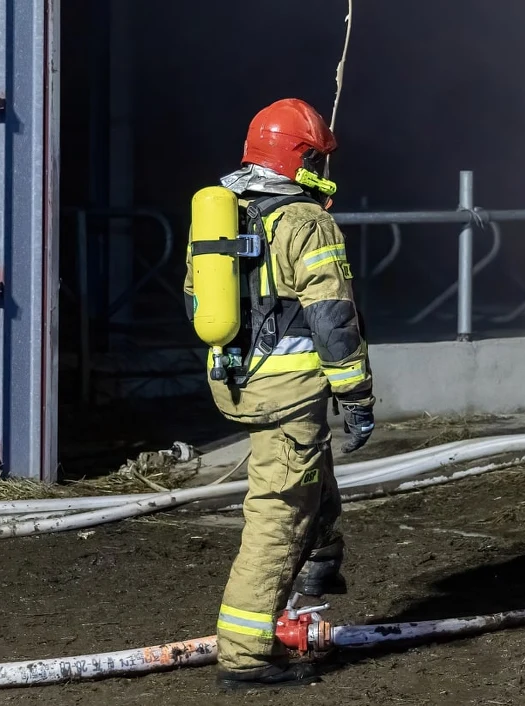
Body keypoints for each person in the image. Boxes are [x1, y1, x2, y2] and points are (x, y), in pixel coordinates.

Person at [183, 98, 375, 690]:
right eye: (315, 155)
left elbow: (194, 299)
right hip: (289, 393)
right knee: (278, 514)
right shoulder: (305, 223)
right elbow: (333, 321)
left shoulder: (222, 211)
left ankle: (318, 573)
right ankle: (243, 655)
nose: (321, 163)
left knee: (311, 480)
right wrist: (358, 396)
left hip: (239, 381)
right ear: (299, 157)